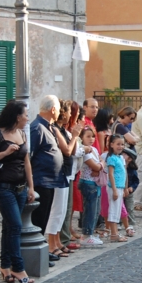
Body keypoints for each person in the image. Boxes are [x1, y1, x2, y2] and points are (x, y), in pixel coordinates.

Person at [0, 100, 36, 283]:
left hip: (21, 188)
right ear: (17, 116)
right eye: (26, 115)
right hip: (3, 187)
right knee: (15, 226)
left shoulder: (22, 133)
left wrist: (31, 187)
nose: (27, 118)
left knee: (9, 227)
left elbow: (27, 162)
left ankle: (5, 266)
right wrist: (5, 153)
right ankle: (18, 268)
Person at [30, 95, 66, 266]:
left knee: (43, 220)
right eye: (58, 109)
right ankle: (38, 255)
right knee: (39, 220)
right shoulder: (37, 128)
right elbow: (29, 156)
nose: (59, 112)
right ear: (53, 110)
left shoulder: (48, 127)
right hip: (41, 181)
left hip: (50, 181)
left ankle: (42, 252)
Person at [44, 100, 82, 258]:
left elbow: (72, 152)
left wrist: (73, 136)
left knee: (61, 210)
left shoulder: (62, 130)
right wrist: (74, 136)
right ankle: (52, 244)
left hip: (66, 172)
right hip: (59, 173)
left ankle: (58, 240)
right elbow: (67, 150)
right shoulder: (55, 129)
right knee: (56, 210)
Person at [60, 101, 86, 251]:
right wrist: (83, 148)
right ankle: (62, 239)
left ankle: (64, 237)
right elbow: (73, 151)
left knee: (68, 207)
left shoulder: (68, 130)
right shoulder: (65, 131)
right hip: (67, 172)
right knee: (63, 208)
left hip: (72, 172)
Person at [78, 126, 104, 246]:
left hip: (95, 183)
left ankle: (91, 232)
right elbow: (96, 166)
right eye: (88, 136)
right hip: (88, 183)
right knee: (90, 210)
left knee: (96, 210)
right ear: (82, 137)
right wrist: (99, 167)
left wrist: (99, 166)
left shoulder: (94, 149)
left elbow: (101, 162)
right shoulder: (85, 151)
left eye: (93, 136)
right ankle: (86, 234)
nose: (91, 139)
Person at [105, 134, 127, 242]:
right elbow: (111, 174)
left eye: (122, 144)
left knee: (117, 210)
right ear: (111, 145)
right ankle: (113, 234)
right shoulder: (111, 158)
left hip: (120, 187)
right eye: (118, 144)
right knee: (113, 210)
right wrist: (114, 190)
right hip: (115, 187)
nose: (121, 146)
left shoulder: (119, 157)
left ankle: (115, 233)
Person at [122, 147, 139, 234]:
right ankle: (120, 222)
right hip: (121, 190)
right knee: (121, 207)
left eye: (124, 154)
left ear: (129, 158)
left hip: (129, 192)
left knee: (129, 207)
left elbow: (136, 181)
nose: (122, 156)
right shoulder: (120, 166)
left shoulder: (132, 169)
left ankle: (131, 222)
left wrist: (132, 188)